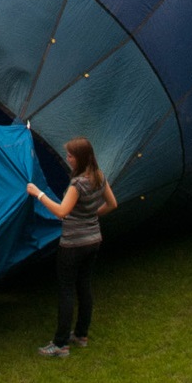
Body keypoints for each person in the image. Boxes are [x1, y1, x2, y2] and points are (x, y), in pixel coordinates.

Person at [26, 136, 117, 357]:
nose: (67, 159)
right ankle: (81, 335)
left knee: (66, 291)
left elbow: (61, 212)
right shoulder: (98, 177)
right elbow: (113, 204)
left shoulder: (78, 184)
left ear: (79, 159)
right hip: (93, 240)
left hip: (73, 245)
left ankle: (60, 344)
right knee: (84, 287)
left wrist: (38, 193)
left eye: (70, 156)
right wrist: (91, 216)